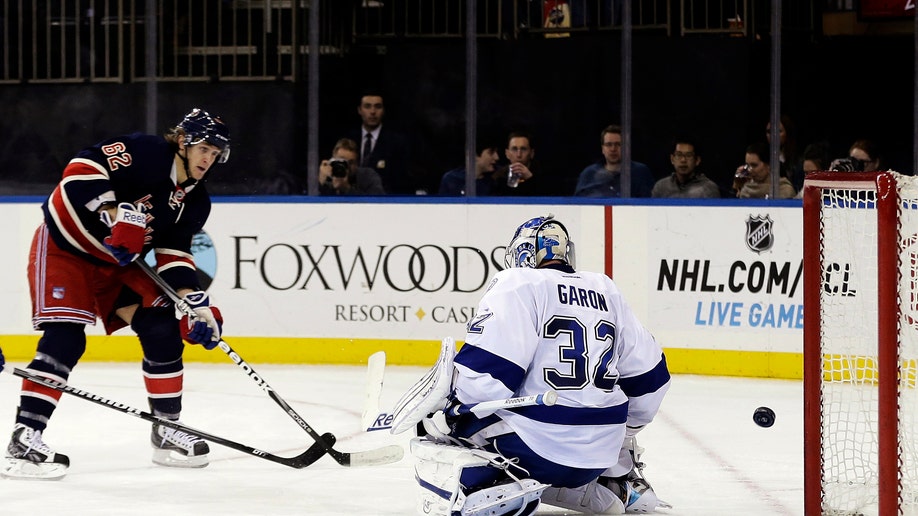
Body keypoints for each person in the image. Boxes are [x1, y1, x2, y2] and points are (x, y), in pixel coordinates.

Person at [389, 214, 672, 515]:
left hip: (534, 449)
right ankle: (615, 481)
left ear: (520, 253)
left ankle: (485, 490)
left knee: (433, 425)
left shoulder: (517, 282)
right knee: (607, 412)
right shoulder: (606, 289)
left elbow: (485, 378)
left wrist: (449, 411)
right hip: (600, 456)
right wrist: (623, 435)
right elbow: (651, 380)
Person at [3, 108, 230, 480]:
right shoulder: (145, 151)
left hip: (117, 264)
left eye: (215, 152)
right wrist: (112, 213)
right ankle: (25, 439)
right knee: (65, 338)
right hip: (66, 247)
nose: (209, 158)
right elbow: (80, 167)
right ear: (184, 142)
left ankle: (166, 429)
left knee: (162, 329)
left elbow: (174, 254)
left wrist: (194, 302)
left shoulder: (196, 200)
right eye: (204, 147)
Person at [347, 90, 419, 195]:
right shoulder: (348, 138)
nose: (372, 112)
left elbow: (402, 181)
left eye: (378, 106)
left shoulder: (397, 143)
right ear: (359, 110)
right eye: (367, 106)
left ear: (383, 110)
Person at [574, 125, 655, 198]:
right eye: (609, 144)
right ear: (603, 149)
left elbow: (649, 205)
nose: (613, 149)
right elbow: (577, 205)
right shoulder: (589, 173)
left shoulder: (640, 172)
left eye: (618, 144)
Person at [651, 136, 721, 198]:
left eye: (689, 155)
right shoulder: (661, 187)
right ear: (672, 159)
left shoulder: (708, 189)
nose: (683, 160)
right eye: (679, 155)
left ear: (697, 160)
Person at [318, 137, 386, 196]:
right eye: (341, 161)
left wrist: (347, 189)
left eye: (350, 163)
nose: (346, 166)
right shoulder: (326, 175)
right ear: (332, 160)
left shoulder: (368, 176)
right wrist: (321, 184)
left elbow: (378, 203)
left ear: (357, 164)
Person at [732, 141, 796, 199]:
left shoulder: (785, 190)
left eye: (754, 165)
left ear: (769, 165)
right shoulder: (746, 190)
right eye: (747, 166)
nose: (749, 170)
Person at [490, 131, 545, 196]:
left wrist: (530, 179)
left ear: (531, 153)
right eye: (514, 149)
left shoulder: (543, 176)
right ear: (507, 154)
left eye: (523, 149)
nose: (519, 155)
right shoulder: (498, 177)